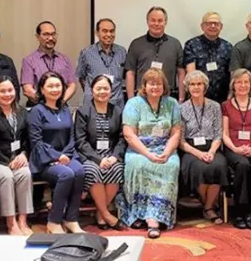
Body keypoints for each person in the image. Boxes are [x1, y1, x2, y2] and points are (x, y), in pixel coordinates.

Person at [118, 68, 182, 239]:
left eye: (158, 83)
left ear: (164, 86)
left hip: (165, 149)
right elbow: (129, 134)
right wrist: (148, 154)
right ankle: (140, 215)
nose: (155, 87)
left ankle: (156, 216)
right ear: (144, 86)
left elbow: (176, 132)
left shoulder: (172, 103)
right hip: (139, 150)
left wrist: (167, 152)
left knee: (171, 165)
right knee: (138, 164)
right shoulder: (133, 103)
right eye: (151, 83)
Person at [28, 72, 86, 234]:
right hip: (44, 160)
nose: (55, 89)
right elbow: (36, 142)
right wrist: (55, 156)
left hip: (66, 156)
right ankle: (54, 221)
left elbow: (71, 137)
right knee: (66, 174)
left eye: (58, 85)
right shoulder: (36, 111)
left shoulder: (65, 109)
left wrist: (65, 155)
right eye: (50, 86)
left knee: (80, 171)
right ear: (42, 89)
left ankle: (71, 219)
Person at [0, 76, 33, 235]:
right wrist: (7, 161)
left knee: (25, 173)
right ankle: (11, 222)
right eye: (2, 91)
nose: (7, 94)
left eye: (10, 90)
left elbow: (27, 139)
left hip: (17, 157)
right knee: (7, 176)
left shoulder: (21, 112)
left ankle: (23, 220)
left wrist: (23, 154)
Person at [74, 75, 127, 230]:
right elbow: (80, 141)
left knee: (117, 169)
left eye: (106, 88)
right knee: (93, 170)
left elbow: (122, 138)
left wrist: (114, 157)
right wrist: (98, 159)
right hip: (90, 155)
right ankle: (107, 214)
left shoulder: (117, 111)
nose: (102, 91)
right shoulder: (83, 111)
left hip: (110, 154)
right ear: (92, 90)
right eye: (99, 88)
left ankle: (100, 213)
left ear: (111, 91)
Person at [178, 70, 228, 225]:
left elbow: (218, 134)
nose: (196, 87)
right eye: (192, 84)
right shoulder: (181, 108)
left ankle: (207, 206)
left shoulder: (214, 106)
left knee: (218, 166)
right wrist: (199, 154)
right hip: (191, 149)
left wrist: (212, 152)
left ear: (205, 87)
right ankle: (209, 206)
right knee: (200, 167)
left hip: (212, 146)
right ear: (187, 87)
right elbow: (180, 141)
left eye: (199, 84)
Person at [222, 69, 251, 230]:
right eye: (239, 82)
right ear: (233, 85)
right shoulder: (226, 106)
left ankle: (250, 211)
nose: (243, 85)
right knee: (242, 166)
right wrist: (235, 148)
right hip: (233, 147)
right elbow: (225, 134)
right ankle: (239, 211)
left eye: (246, 82)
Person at [125, 7, 185, 102]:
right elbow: (130, 73)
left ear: (166, 22)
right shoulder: (136, 44)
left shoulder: (175, 44)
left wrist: (181, 99)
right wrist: (131, 100)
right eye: (153, 20)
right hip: (142, 98)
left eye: (160, 20)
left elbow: (181, 73)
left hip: (168, 98)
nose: (156, 24)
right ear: (147, 21)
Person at [21, 22, 78, 105]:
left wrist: (60, 101)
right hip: (38, 106)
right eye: (46, 34)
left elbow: (72, 85)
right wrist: (47, 103)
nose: (51, 38)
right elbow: (27, 89)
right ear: (37, 37)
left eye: (53, 34)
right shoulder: (29, 60)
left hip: (61, 106)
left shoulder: (64, 59)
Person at [76, 19, 127, 108]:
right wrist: (93, 91)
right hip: (93, 103)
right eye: (105, 31)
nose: (109, 34)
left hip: (116, 104)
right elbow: (81, 77)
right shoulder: (87, 53)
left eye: (112, 31)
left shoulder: (122, 52)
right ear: (97, 33)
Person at [183, 12, 233, 102]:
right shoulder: (191, 45)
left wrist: (230, 97)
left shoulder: (228, 47)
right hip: (198, 98)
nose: (213, 26)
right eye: (209, 23)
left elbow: (232, 74)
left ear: (221, 27)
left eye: (216, 24)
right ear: (202, 26)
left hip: (223, 99)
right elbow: (191, 74)